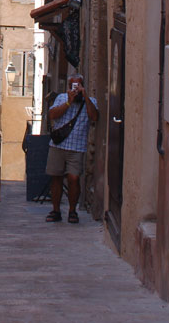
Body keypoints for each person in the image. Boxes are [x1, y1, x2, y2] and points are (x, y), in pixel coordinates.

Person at [45, 73, 98, 224]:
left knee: (74, 178)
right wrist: (69, 102)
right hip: (58, 145)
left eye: (78, 85)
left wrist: (85, 96)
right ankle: (56, 210)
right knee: (56, 177)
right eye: (73, 86)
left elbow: (94, 117)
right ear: (68, 87)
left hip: (77, 147)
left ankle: (72, 210)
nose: (75, 89)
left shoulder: (91, 101)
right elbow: (52, 115)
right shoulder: (62, 98)